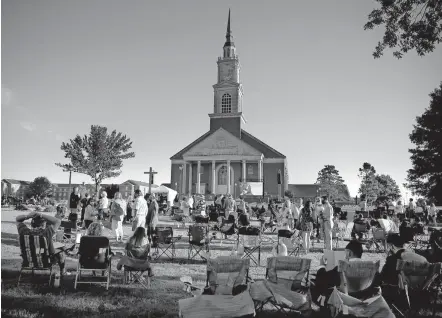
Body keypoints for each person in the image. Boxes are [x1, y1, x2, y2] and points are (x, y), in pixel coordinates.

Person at [16, 211, 70, 276]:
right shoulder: (46, 233)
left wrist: (28, 216)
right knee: (61, 252)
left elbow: (17, 219)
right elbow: (58, 221)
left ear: (31, 224)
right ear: (44, 224)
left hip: (28, 261)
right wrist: (41, 214)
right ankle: (63, 272)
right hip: (45, 262)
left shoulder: (24, 231)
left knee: (39, 249)